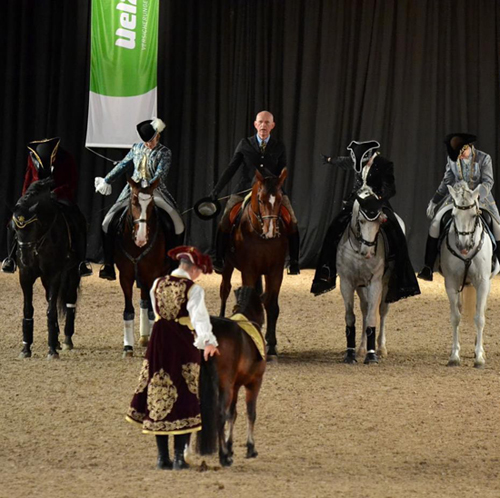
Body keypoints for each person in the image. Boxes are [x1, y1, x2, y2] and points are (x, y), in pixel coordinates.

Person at [125, 245, 219, 470]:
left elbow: (156, 312)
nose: (199, 275)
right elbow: (199, 318)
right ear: (193, 268)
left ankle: (162, 458)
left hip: (159, 342)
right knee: (185, 393)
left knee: (159, 389)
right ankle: (179, 457)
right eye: (198, 270)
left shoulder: (157, 283)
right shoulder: (193, 289)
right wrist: (208, 342)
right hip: (182, 342)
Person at [311, 140, 420, 303]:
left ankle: (400, 273)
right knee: (335, 226)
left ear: (370, 155)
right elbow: (345, 161)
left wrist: (378, 197)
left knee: (395, 229)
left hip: (377, 201)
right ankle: (328, 270)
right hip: (357, 200)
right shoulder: (358, 160)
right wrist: (329, 160)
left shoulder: (384, 164)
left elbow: (391, 188)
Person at [208, 110, 300, 274]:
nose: (263, 125)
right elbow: (231, 168)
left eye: (267, 122)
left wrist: (275, 182)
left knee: (291, 219)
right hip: (245, 188)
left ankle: (294, 261)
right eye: (260, 122)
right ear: (255, 124)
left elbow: (283, 169)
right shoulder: (245, 144)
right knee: (225, 219)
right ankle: (219, 258)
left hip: (271, 189)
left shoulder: (279, 146)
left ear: (272, 126)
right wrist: (216, 190)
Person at [94, 118, 184, 280]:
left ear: (158, 135)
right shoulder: (136, 148)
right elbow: (123, 166)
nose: (148, 145)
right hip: (132, 191)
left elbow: (160, 175)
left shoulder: (164, 152)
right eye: (146, 142)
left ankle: (173, 262)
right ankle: (108, 264)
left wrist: (146, 188)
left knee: (176, 221)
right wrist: (107, 180)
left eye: (151, 141)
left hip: (154, 190)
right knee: (107, 221)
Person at [1, 137, 92, 276]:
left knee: (79, 220)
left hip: (59, 195)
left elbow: (72, 181)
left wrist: (56, 193)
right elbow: (28, 179)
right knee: (13, 221)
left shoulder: (66, 158)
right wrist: (25, 198)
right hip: (35, 195)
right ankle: (11, 257)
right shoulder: (32, 158)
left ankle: (81, 261)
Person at [418, 133, 500, 281]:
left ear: (467, 147)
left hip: (481, 199)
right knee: (435, 223)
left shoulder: (484, 158)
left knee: (498, 226)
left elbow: (488, 182)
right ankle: (428, 267)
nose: (460, 158)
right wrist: (435, 201)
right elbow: (447, 181)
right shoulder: (453, 159)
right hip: (456, 198)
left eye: (462, 154)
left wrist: (476, 194)